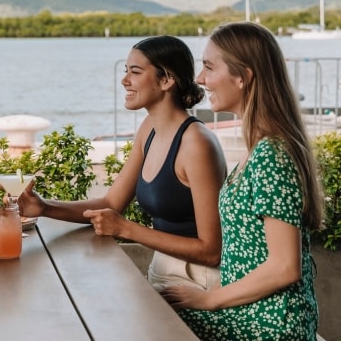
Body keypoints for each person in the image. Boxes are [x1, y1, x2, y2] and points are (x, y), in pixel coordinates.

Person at [17, 35, 227, 291]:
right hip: (161, 269)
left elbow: (211, 251)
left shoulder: (197, 143)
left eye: (135, 72)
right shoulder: (149, 129)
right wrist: (44, 207)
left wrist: (126, 229)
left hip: (197, 280)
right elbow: (111, 204)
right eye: (126, 70)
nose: (124, 80)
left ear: (166, 80)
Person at [161, 22, 323, 340]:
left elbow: (285, 267)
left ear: (243, 77)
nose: (199, 79)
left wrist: (208, 300)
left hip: (268, 326)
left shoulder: (272, 154)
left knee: (146, 319)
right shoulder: (261, 148)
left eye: (209, 67)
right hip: (249, 314)